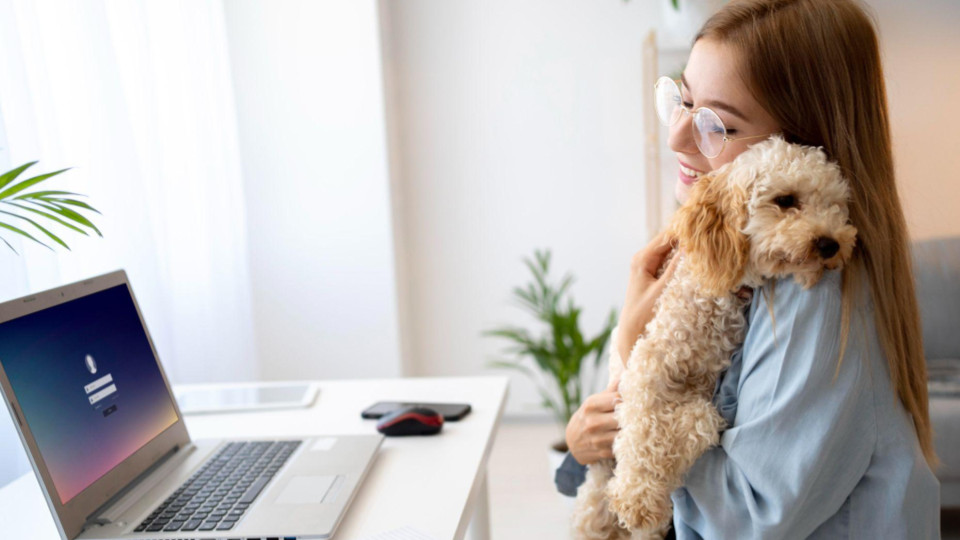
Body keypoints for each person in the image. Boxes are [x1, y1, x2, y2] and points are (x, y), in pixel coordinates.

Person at [556, 0, 941, 537]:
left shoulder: (814, 289)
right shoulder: (721, 256)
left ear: (803, 150)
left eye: (718, 123)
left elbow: (749, 520)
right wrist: (581, 444)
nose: (677, 136)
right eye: (683, 99)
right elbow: (603, 447)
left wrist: (630, 352)